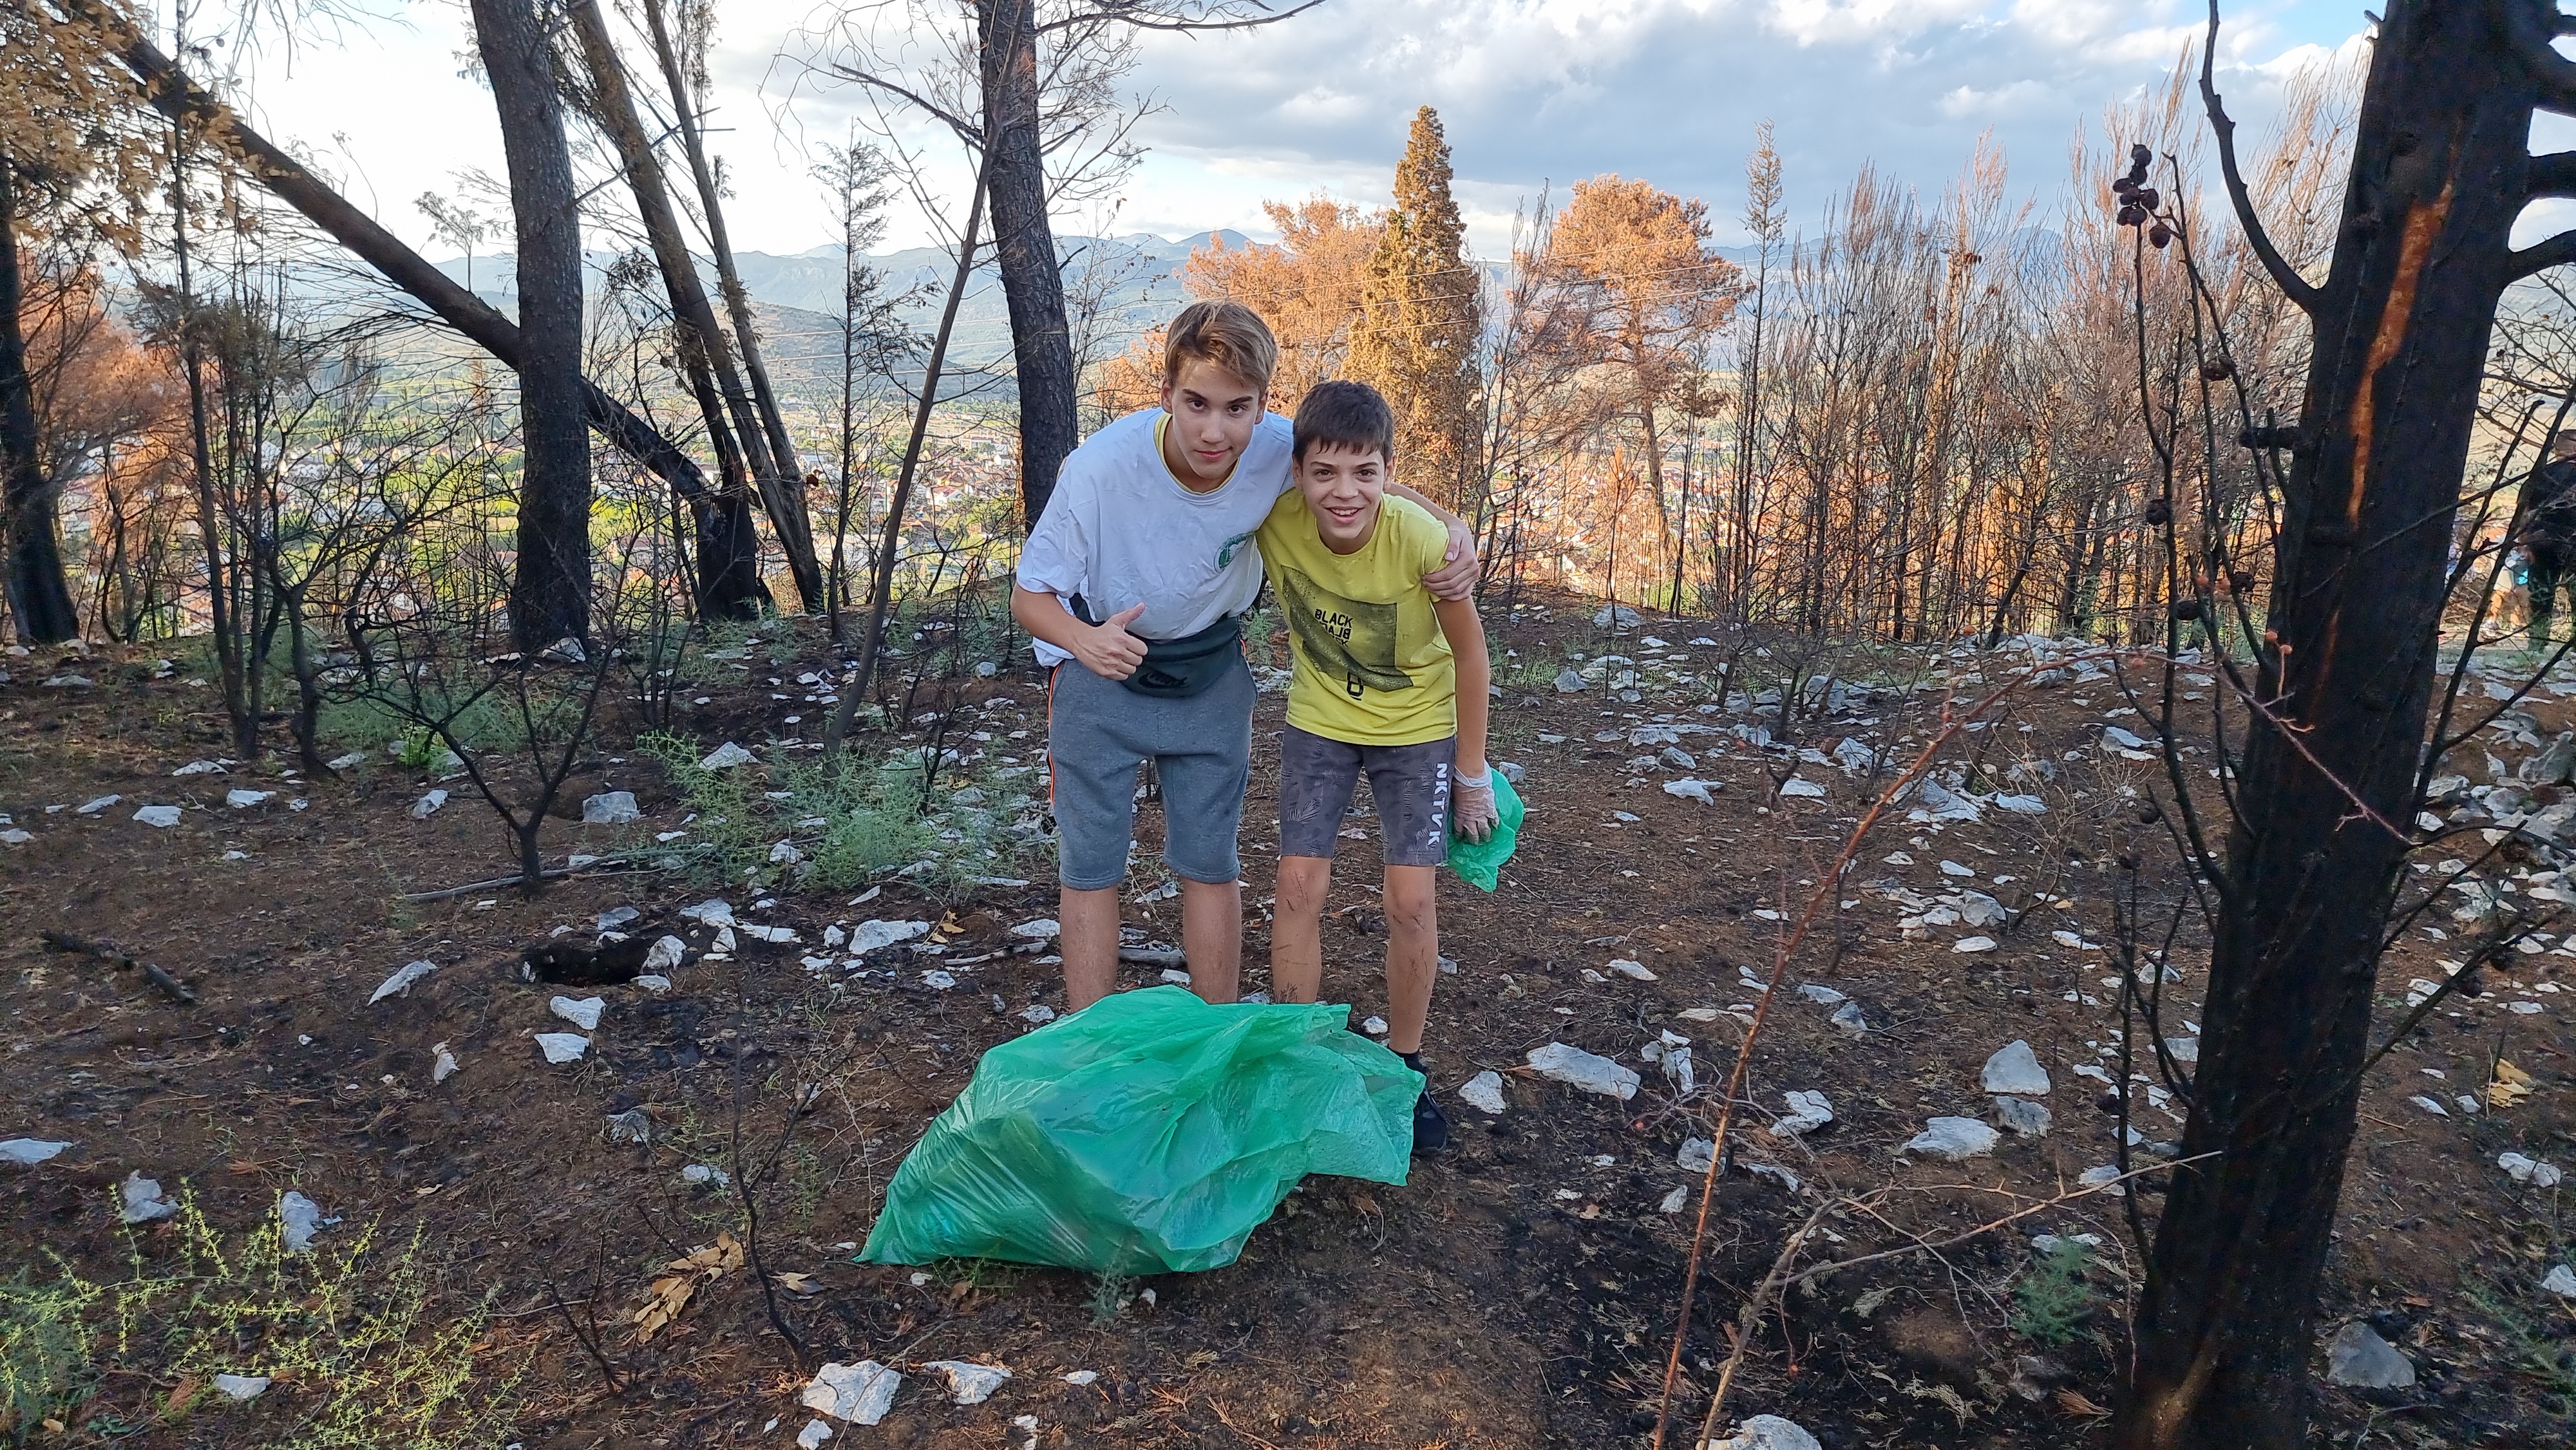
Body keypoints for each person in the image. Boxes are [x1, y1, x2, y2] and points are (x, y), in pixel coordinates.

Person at [1010, 303, 1479, 1013]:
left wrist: (1452, 524)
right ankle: (1087, 1043)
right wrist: (1082, 639)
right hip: (1100, 667)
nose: (1214, 430)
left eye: (1238, 408)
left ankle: (1217, 1039)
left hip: (1208, 676)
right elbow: (1030, 594)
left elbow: (1361, 477)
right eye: (1196, 403)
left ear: (1263, 409)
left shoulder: (1276, 449)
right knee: (1091, 864)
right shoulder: (1099, 468)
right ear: (1164, 393)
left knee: (1209, 861)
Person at [1255, 380, 1500, 1153]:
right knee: (1298, 883)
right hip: (1319, 721)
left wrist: (1471, 773)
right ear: (1297, 473)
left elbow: (1471, 656)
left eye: (1365, 472)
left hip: (1416, 728)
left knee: (1411, 902)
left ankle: (1405, 1063)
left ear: (1388, 474)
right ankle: (1295, 1057)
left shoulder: (1421, 542)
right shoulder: (1275, 513)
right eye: (1324, 472)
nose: (1344, 491)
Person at [2521, 428, 2576, 649]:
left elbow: (2523, 511)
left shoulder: (2541, 474)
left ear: (2556, 449)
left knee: (2541, 594)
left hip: (2542, 542)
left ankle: (2537, 643)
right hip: (2574, 543)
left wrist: (2524, 541)